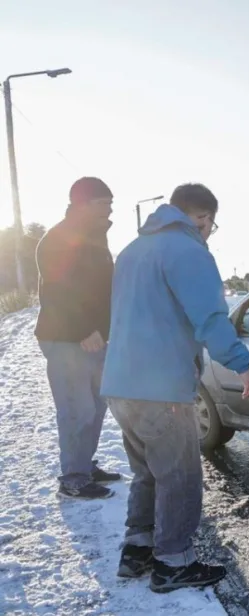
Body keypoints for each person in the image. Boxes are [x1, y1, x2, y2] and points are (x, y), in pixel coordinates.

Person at [101, 183, 249, 593]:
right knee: (180, 476)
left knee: (147, 472)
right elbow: (209, 317)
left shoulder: (132, 251)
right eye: (210, 224)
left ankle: (138, 551)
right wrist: (242, 364)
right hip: (161, 386)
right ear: (201, 218)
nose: (209, 232)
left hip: (120, 382)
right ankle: (173, 563)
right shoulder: (189, 251)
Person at [35, 177, 120, 499]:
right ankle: (72, 478)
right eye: (103, 204)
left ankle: (84, 465)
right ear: (82, 204)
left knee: (96, 408)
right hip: (69, 338)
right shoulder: (59, 239)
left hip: (94, 338)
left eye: (111, 203)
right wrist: (83, 329)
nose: (110, 210)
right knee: (76, 409)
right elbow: (58, 290)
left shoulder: (94, 238)